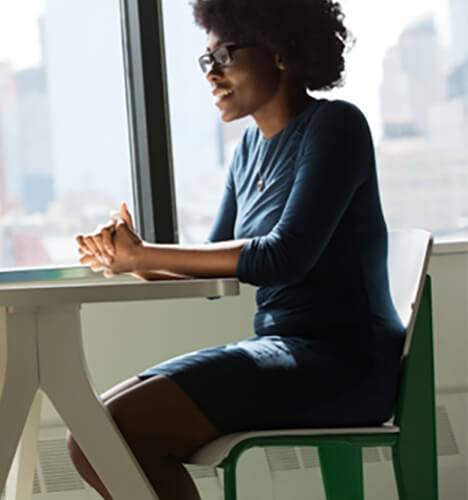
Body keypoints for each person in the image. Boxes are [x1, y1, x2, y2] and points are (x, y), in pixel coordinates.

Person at [69, 1, 404, 499]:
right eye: (207, 61)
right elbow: (214, 278)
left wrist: (147, 255)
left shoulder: (336, 127)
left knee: (112, 434)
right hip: (282, 352)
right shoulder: (249, 149)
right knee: (88, 438)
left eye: (223, 55)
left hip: (344, 363)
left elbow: (281, 258)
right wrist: (129, 262)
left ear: (281, 52)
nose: (211, 74)